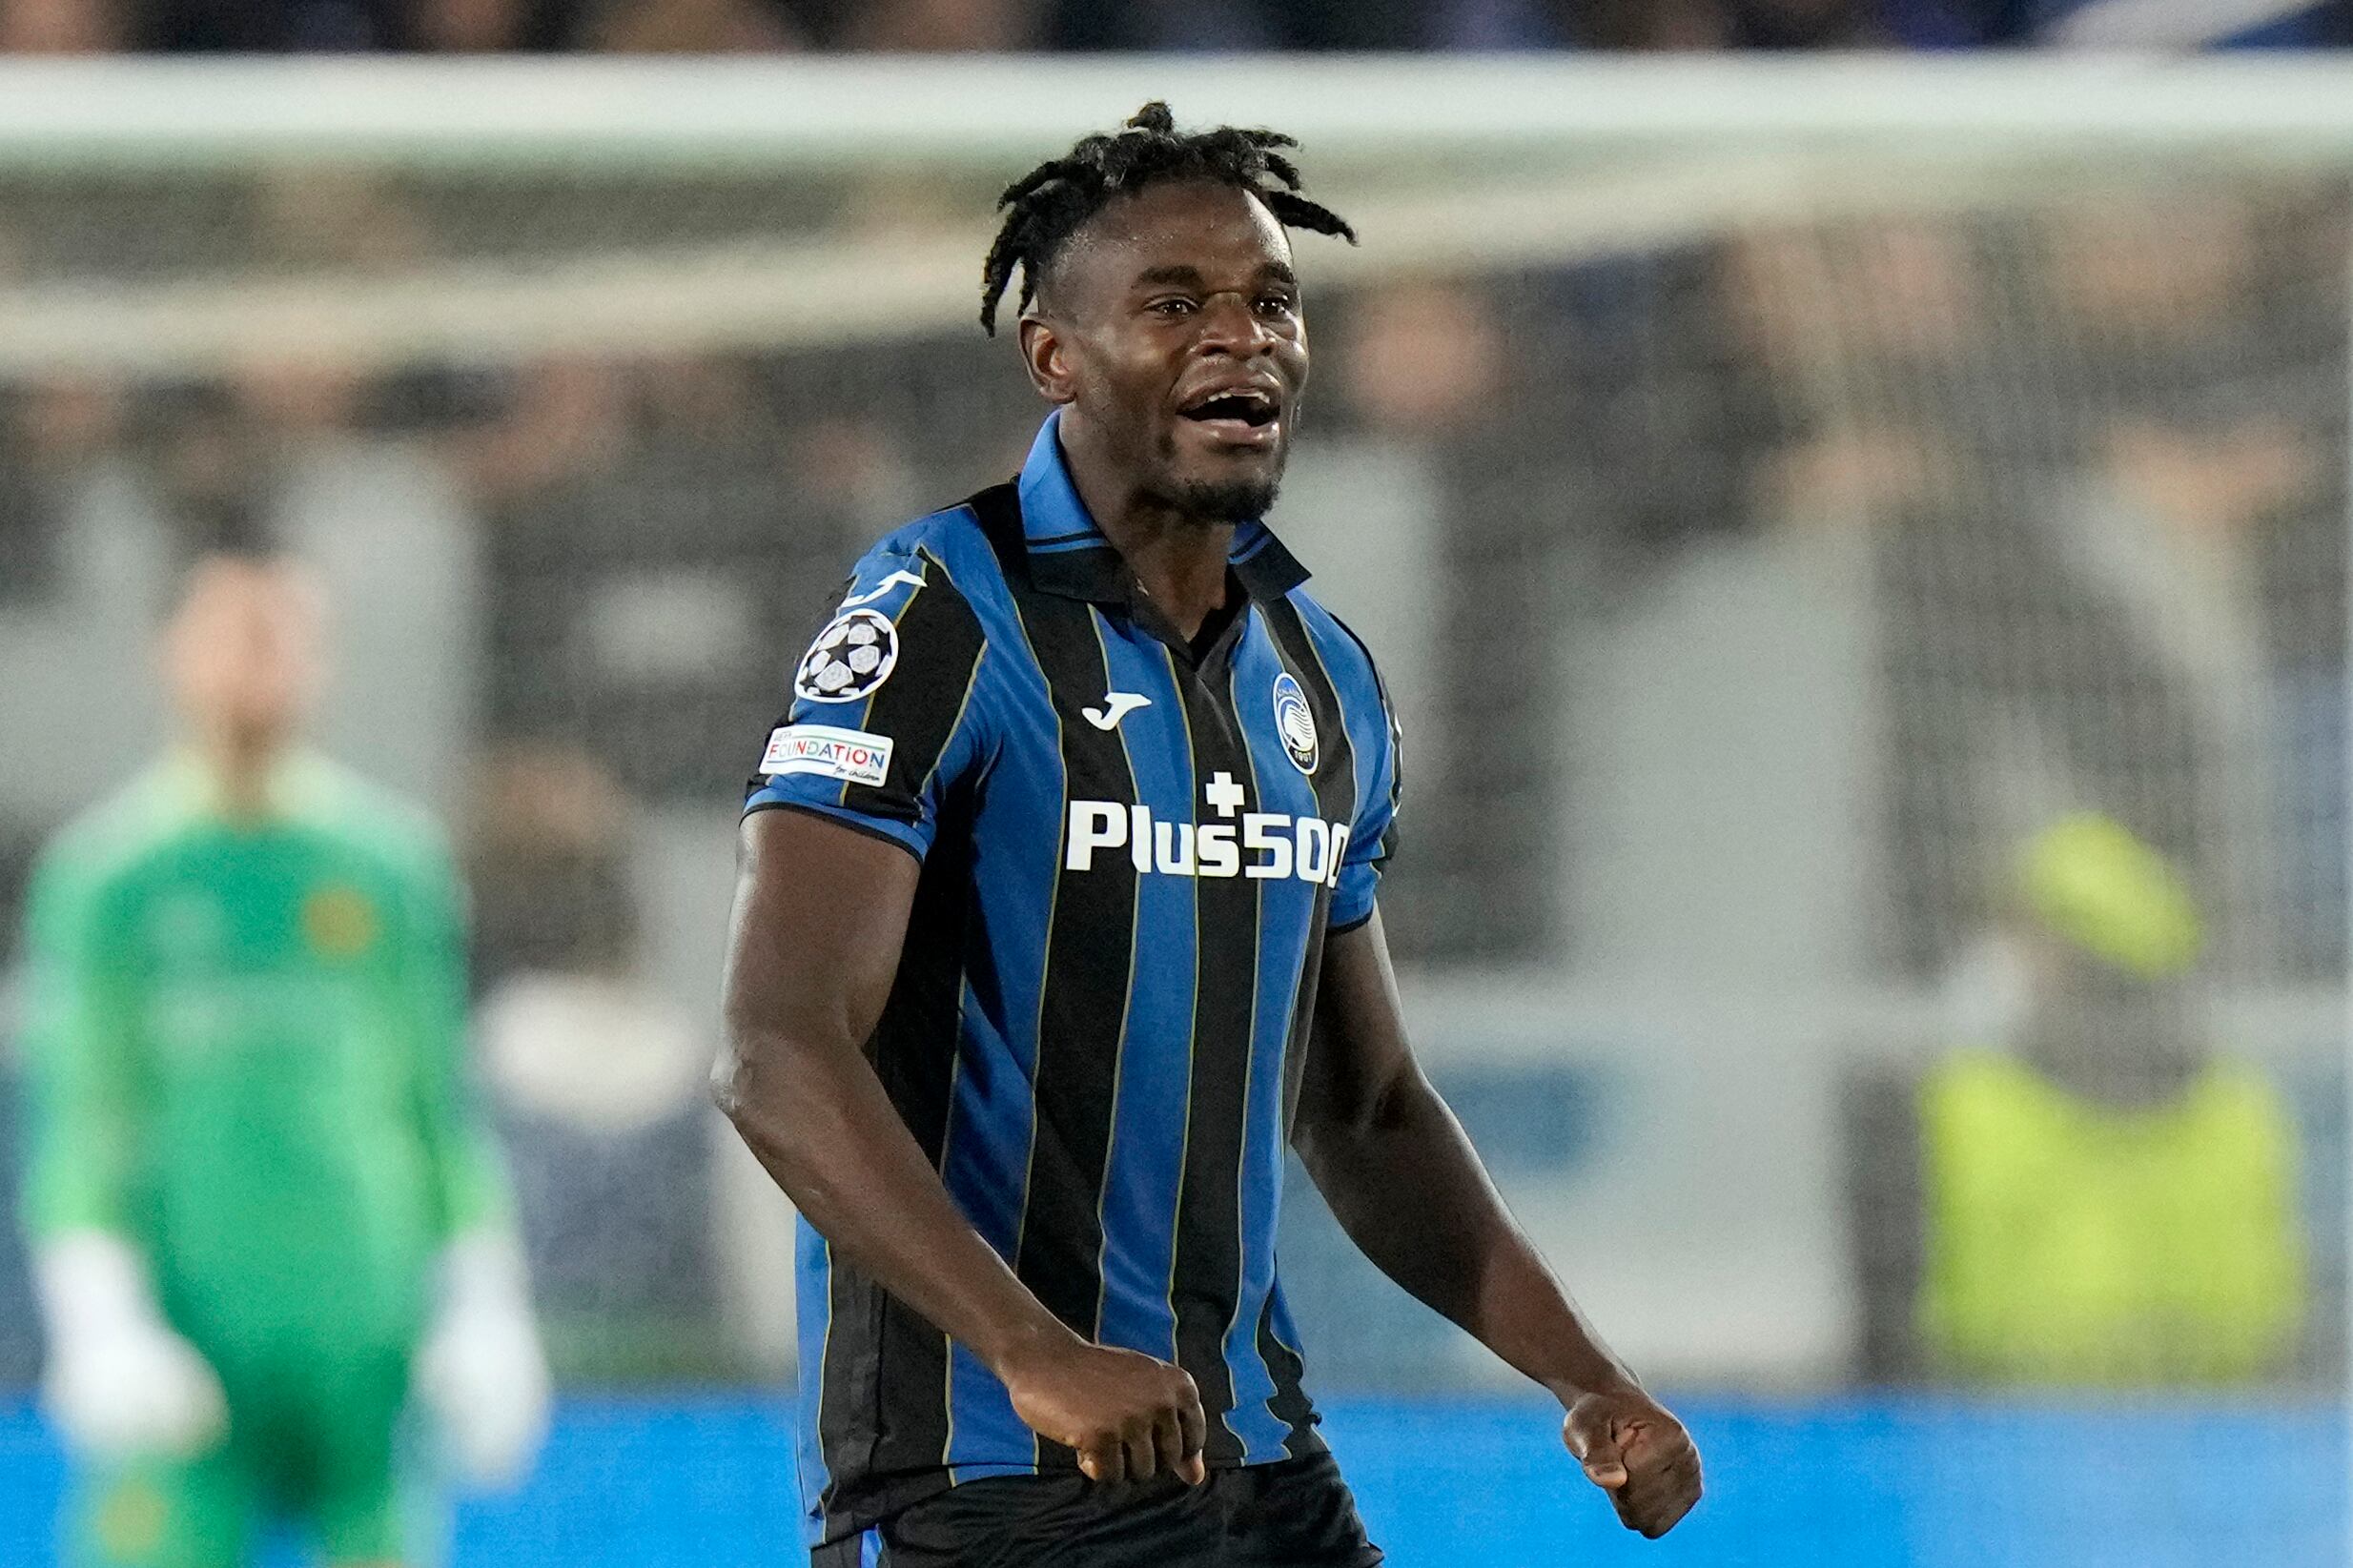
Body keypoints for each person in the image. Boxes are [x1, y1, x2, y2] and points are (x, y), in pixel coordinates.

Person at [715, 103, 1701, 1568]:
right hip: (986, 1479)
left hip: (1255, 1470)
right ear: (1055, 354)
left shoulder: (1325, 677)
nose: (1243, 340)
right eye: (1176, 304)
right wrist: (1028, 1348)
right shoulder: (938, 618)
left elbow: (1363, 1107)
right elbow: (777, 1048)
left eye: (1270, 303)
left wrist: (1584, 1373)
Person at [18, 551, 550, 1568]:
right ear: (169, 653)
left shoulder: (389, 864)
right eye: (231, 633)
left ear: (323, 661)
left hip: (367, 1331)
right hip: (189, 1327)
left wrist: (486, 1303)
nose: (255, 662)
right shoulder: (109, 879)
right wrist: (98, 1315)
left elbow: (437, 1102)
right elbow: (82, 1116)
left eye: (281, 635)